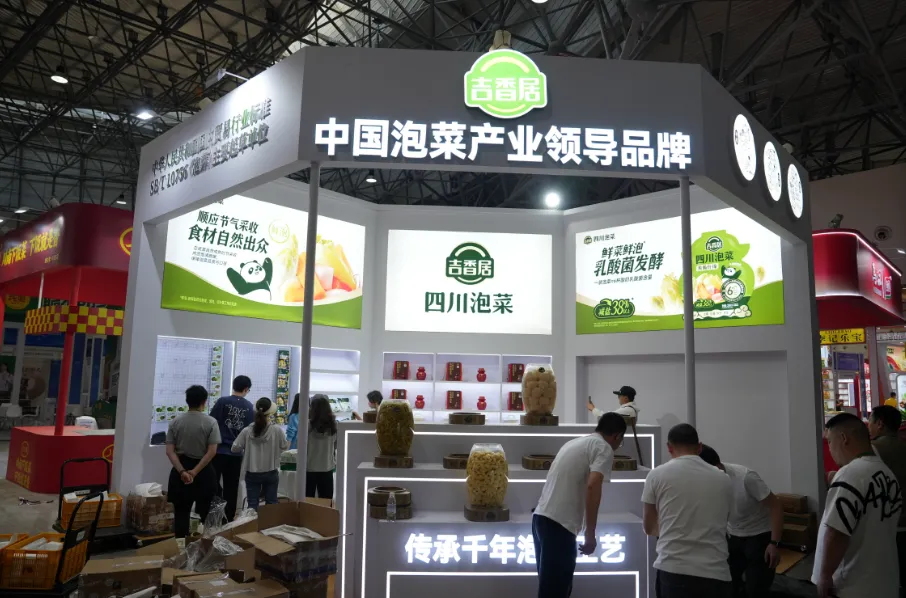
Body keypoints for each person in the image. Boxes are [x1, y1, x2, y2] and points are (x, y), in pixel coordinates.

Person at [532, 412, 626, 598]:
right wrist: (590, 534)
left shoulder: (574, 443)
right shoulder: (603, 448)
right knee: (556, 591)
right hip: (560, 525)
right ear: (617, 436)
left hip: (541, 519)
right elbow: (593, 486)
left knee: (549, 589)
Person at [813, 413, 900, 598]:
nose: (830, 449)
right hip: (883, 582)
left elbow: (837, 532)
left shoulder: (849, 474)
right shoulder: (887, 474)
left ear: (844, 438)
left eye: (830, 442)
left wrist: (825, 575)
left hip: (851, 586)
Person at [642, 423, 733, 598]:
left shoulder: (656, 475)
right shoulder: (723, 479)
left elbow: (649, 527)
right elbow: (725, 520)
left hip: (673, 568)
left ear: (669, 448)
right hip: (715, 572)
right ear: (699, 447)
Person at [699, 445, 783, 597]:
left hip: (759, 536)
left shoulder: (745, 478)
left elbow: (775, 506)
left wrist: (774, 543)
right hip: (732, 535)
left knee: (756, 589)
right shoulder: (705, 483)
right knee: (728, 585)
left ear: (717, 467)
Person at [165, 385, 220, 538]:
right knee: (204, 514)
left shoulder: (175, 422)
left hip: (180, 471)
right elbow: (212, 451)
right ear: (204, 402)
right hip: (204, 472)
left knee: (181, 513)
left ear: (187, 401)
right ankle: (202, 546)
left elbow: (169, 451)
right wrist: (194, 472)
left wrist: (182, 471)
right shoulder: (211, 422)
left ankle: (181, 546)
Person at [868, 405, 906, 596]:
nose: (868, 425)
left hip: (888, 524)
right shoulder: (903, 445)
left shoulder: (873, 450)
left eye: (870, 421)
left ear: (880, 424)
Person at [231, 397, 289, 510]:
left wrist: (247, 448)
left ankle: (253, 521)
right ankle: (269, 522)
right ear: (271, 412)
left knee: (252, 505)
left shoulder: (247, 430)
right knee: (271, 503)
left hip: (252, 472)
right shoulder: (277, 430)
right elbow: (284, 446)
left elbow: (235, 448)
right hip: (271, 471)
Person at [209, 375, 253, 521]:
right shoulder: (249, 406)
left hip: (218, 451)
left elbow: (212, 422)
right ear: (246, 389)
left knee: (213, 484)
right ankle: (228, 518)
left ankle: (213, 516)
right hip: (236, 454)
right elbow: (250, 429)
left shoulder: (222, 401)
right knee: (232, 487)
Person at [306, 394, 338, 499]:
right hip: (327, 467)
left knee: (307, 501)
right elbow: (336, 445)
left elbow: (300, 445)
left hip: (309, 468)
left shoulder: (307, 425)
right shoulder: (334, 426)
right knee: (326, 502)